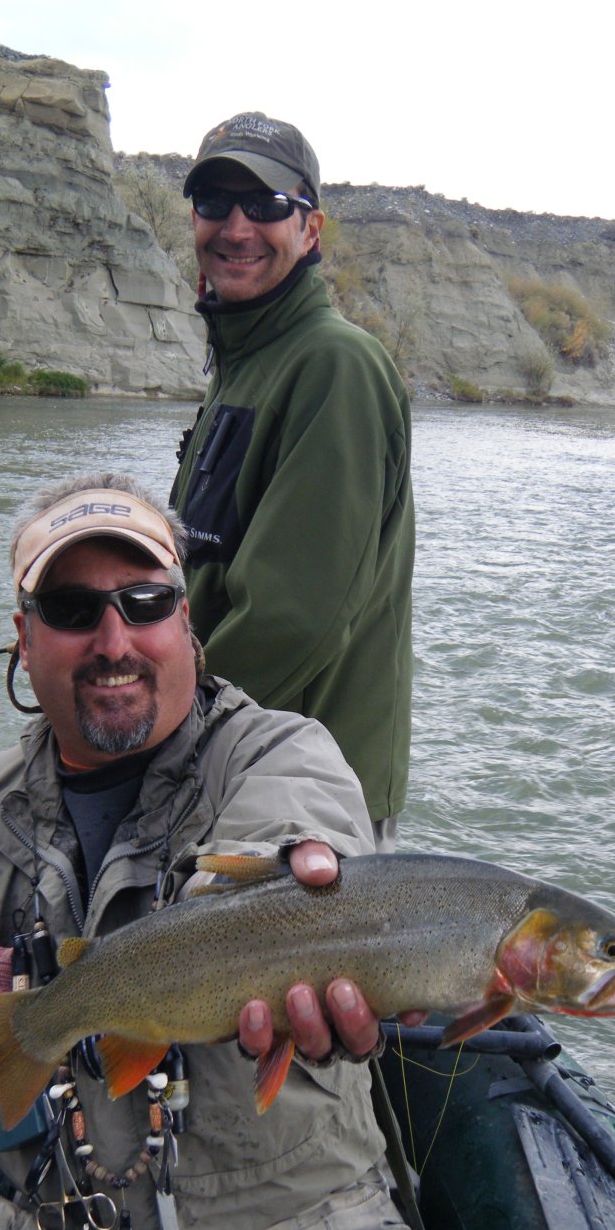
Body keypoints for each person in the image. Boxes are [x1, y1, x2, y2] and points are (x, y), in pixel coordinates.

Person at [0, 473, 501, 1230]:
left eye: (145, 600)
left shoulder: (282, 752)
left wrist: (287, 885)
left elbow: (298, 836)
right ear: (23, 638)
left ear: (186, 620)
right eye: (73, 609)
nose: (114, 638)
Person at [170, 111, 415, 849]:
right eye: (215, 202)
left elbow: (292, 621)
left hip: (305, 797)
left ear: (309, 230)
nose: (237, 227)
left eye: (267, 205)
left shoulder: (334, 365)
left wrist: (154, 745)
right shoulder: (246, 362)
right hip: (226, 763)